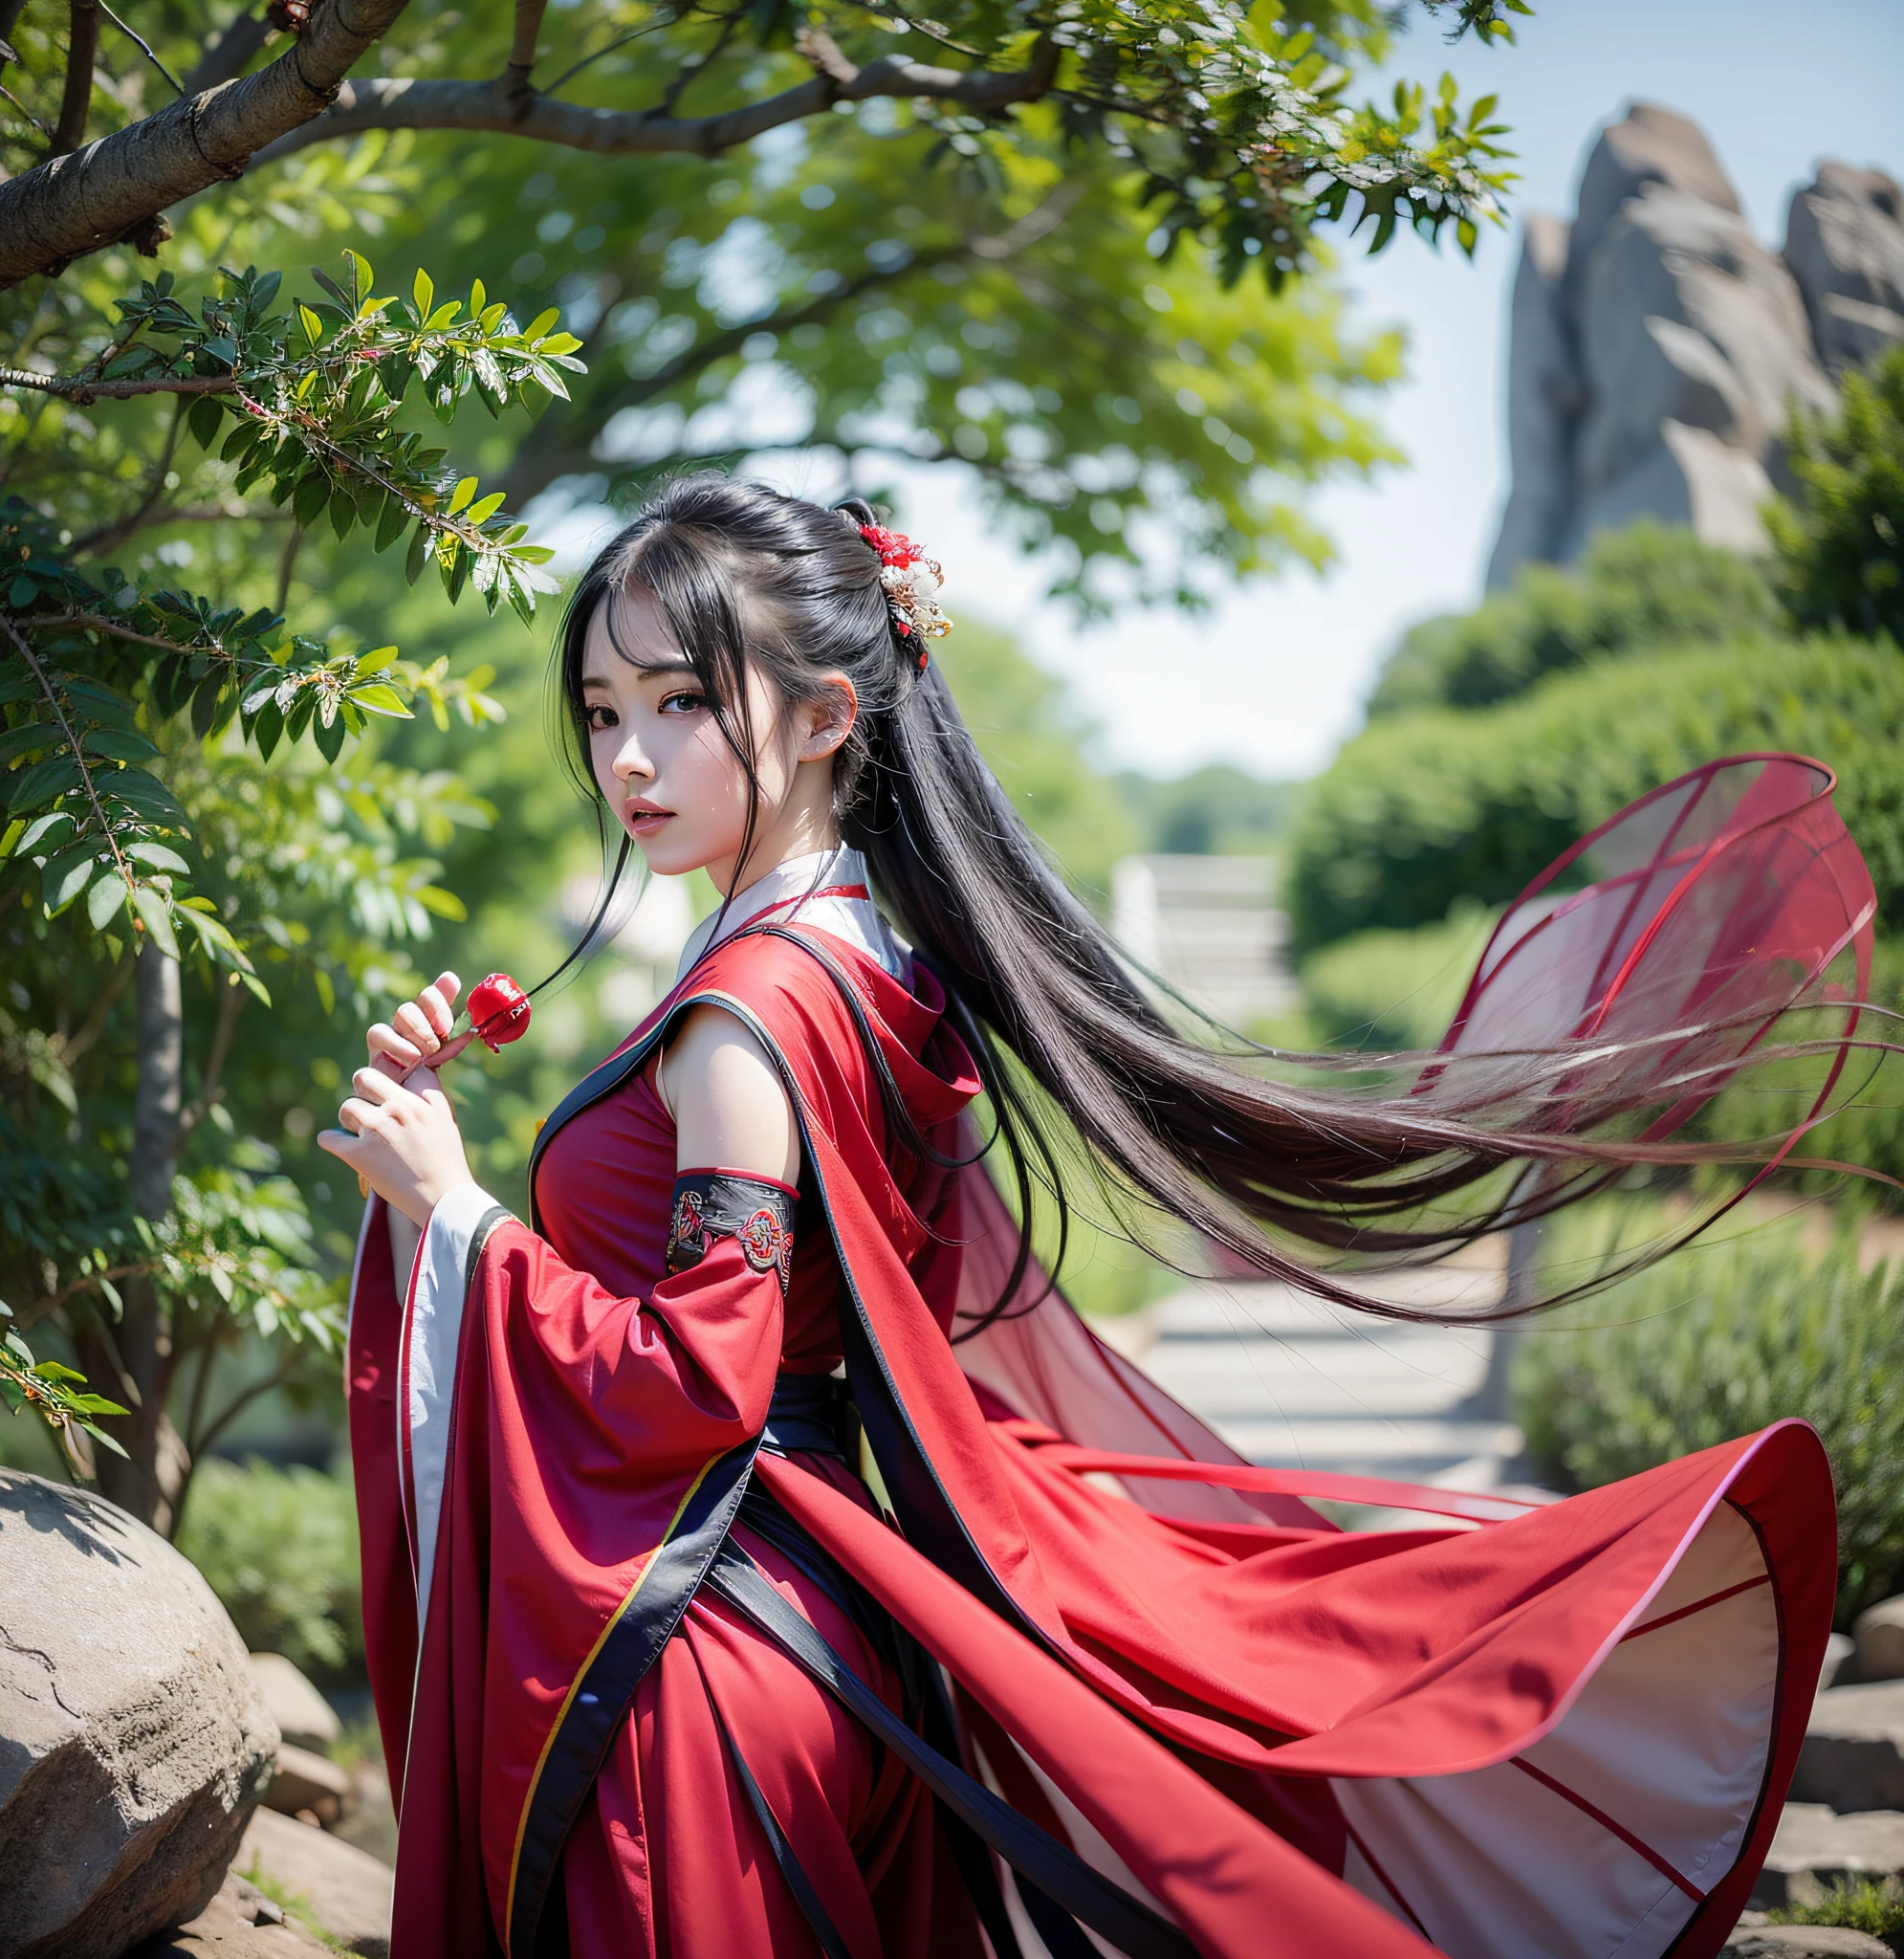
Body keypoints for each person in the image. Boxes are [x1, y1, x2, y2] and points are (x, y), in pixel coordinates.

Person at [320, 475, 1863, 1959]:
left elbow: (700, 1375)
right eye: (602, 711)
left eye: (678, 701)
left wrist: (453, 1212)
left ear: (824, 717)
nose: (628, 760)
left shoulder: (746, 1011)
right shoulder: (870, 962)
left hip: (700, 1643)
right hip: (819, 1620)